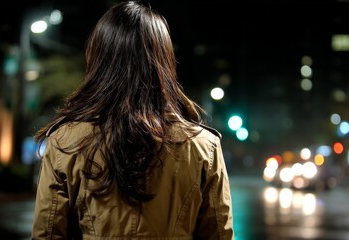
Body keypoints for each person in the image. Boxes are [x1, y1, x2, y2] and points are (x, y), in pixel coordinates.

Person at [31, 1, 234, 239]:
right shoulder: (203, 147)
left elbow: (48, 233)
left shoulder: (65, 142)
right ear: (164, 60)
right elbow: (218, 234)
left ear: (98, 60)